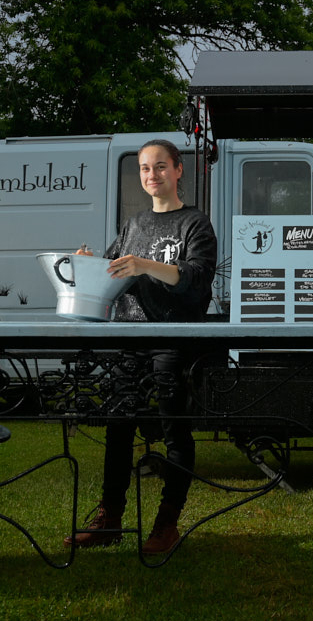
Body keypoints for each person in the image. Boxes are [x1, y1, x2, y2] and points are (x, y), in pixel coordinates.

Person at [65, 139, 217, 552]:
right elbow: (113, 273)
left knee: (174, 431)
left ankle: (166, 525)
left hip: (173, 338)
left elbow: (197, 280)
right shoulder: (134, 225)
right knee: (118, 428)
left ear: (178, 170)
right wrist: (90, 260)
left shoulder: (195, 224)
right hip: (128, 338)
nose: (153, 175)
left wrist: (145, 265)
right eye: (146, 169)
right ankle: (110, 519)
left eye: (161, 167)